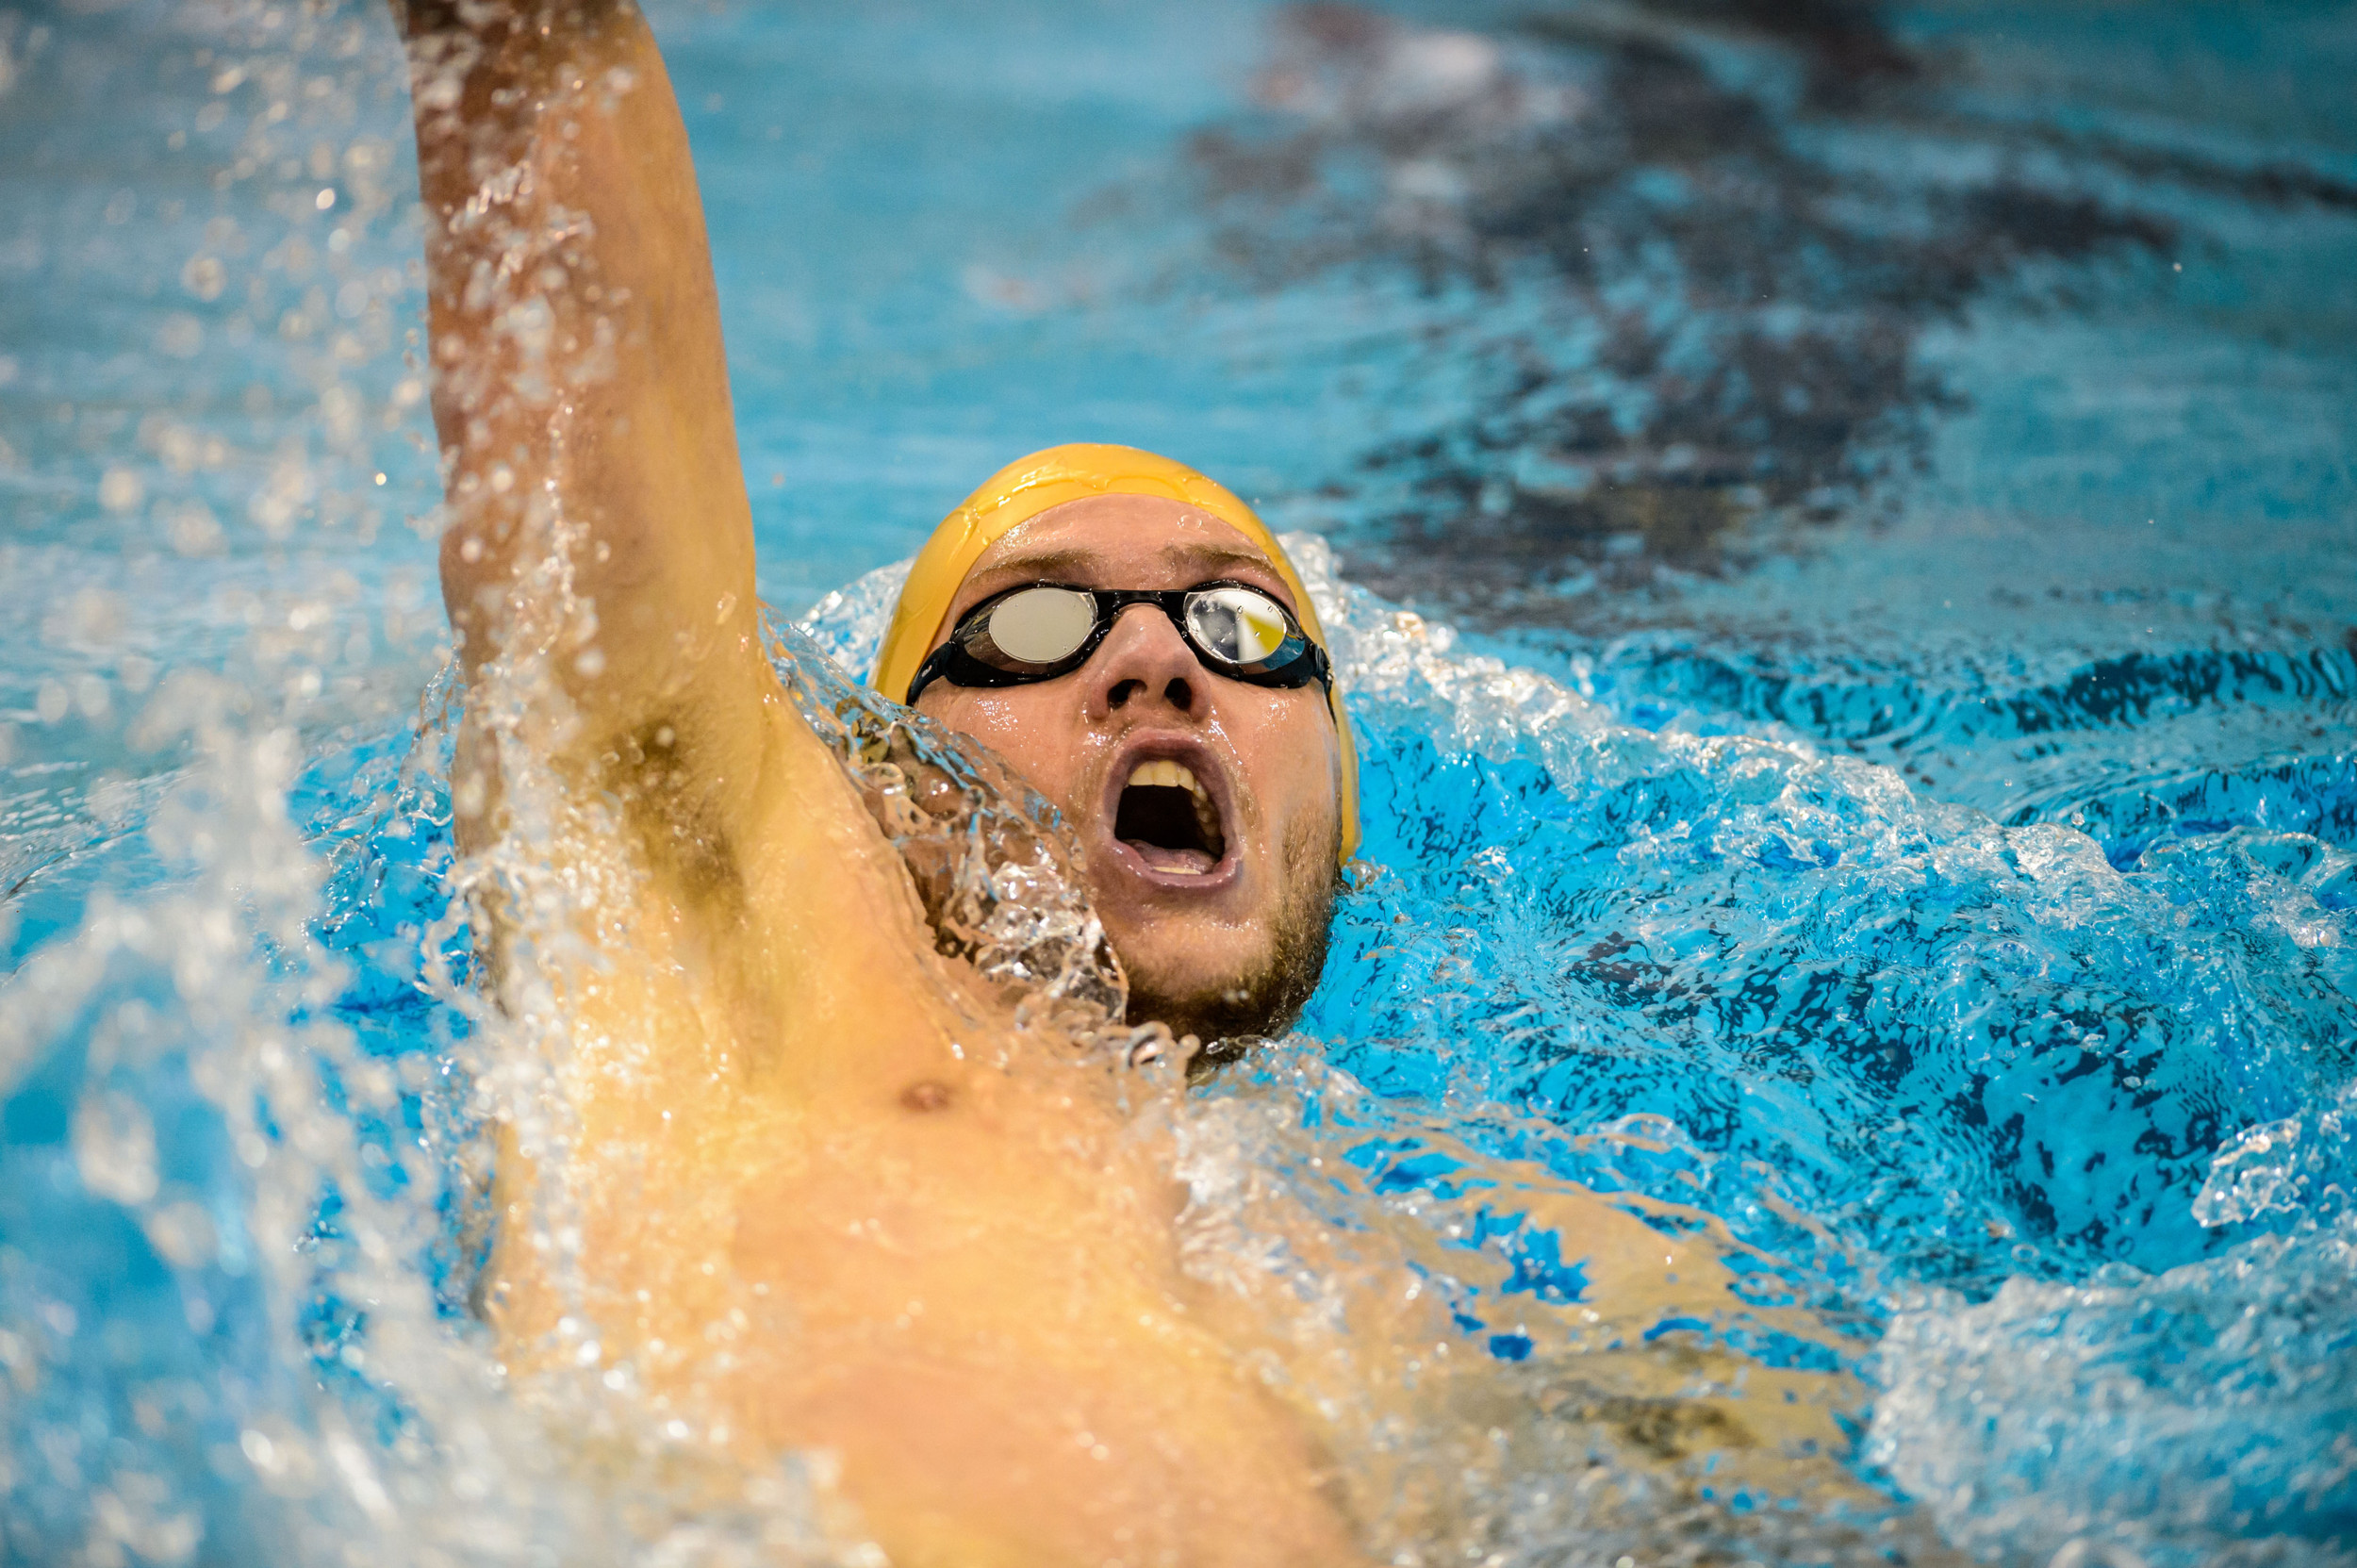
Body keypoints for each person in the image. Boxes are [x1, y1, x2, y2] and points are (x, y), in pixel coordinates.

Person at [392, 1, 1391, 1562]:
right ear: (899, 789)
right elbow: (617, 613)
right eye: (1038, 624)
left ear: (1349, 815)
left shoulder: (1402, 1261)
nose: (1158, 666)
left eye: (1242, 625)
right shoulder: (782, 970)